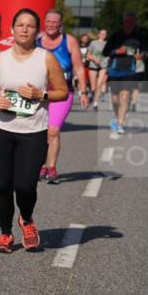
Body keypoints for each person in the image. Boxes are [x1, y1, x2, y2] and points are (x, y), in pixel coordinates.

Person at [0, 8, 69, 253]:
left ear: (37, 31)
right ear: (12, 29)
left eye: (30, 26)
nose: (24, 29)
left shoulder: (46, 58)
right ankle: (5, 233)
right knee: (3, 185)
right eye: (20, 25)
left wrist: (42, 94)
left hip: (33, 131)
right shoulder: (0, 58)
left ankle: (27, 219)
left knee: (26, 185)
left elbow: (62, 91)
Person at [37, 9, 88, 184]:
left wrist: (84, 92)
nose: (51, 25)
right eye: (48, 21)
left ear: (60, 25)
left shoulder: (69, 41)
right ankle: (41, 166)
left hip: (62, 93)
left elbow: (79, 68)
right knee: (39, 132)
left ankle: (51, 168)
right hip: (38, 94)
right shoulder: (36, 41)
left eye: (55, 22)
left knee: (53, 130)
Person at [106, 12, 148, 135]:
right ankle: (117, 117)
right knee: (115, 99)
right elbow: (105, 52)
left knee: (125, 96)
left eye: (131, 22)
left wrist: (141, 55)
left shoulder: (139, 37)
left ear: (134, 22)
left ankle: (121, 123)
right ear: (123, 22)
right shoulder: (115, 36)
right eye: (127, 21)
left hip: (129, 70)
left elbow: (146, 52)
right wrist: (117, 51)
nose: (129, 24)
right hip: (114, 70)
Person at [90, 29, 109, 109]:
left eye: (105, 33)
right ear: (98, 34)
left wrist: (108, 59)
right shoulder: (93, 43)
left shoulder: (108, 44)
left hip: (103, 66)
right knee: (93, 87)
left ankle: (95, 103)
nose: (103, 35)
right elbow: (88, 55)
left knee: (99, 85)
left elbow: (110, 54)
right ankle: (92, 94)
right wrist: (94, 59)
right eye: (101, 33)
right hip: (93, 65)